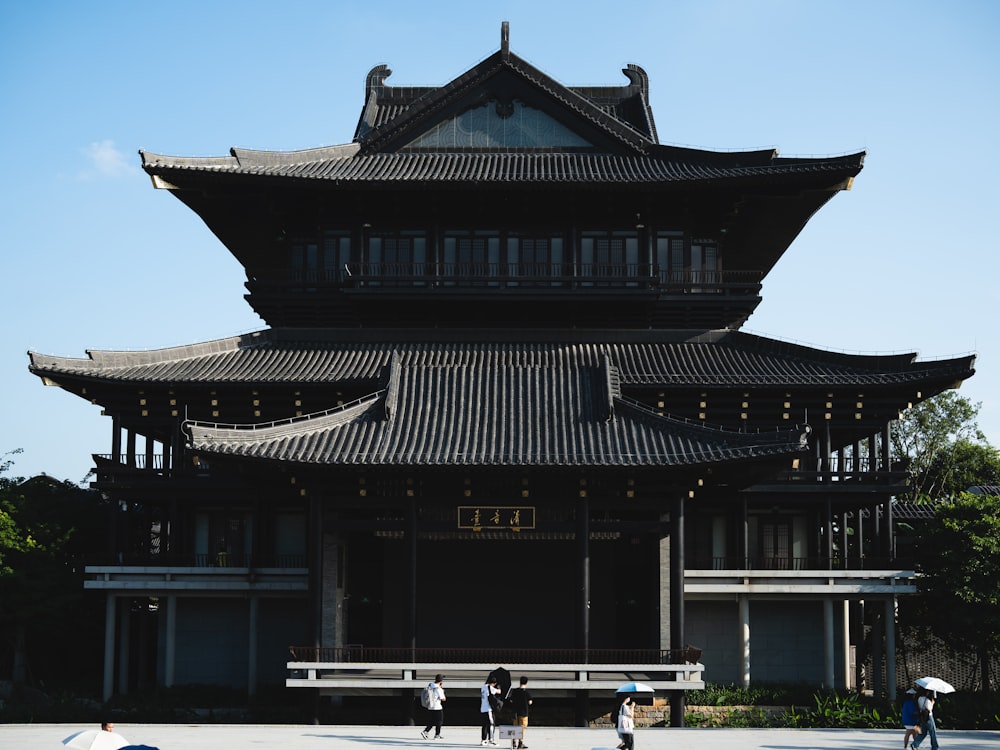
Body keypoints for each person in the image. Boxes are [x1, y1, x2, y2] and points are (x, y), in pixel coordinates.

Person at [507, 676, 533, 749]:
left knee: (515, 728)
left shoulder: (515, 691)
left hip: (515, 712)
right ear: (526, 683)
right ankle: (520, 743)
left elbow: (511, 700)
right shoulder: (526, 693)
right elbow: (530, 702)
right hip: (524, 713)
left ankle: (514, 743)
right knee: (522, 728)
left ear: (520, 682)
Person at [420, 674, 446, 740]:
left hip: (430, 706)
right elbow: (443, 699)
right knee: (439, 721)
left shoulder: (430, 686)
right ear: (441, 681)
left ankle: (426, 731)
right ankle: (437, 735)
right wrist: (442, 690)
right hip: (437, 707)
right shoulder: (438, 689)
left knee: (432, 721)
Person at [480, 673, 500, 746]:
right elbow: (499, 692)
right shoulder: (490, 688)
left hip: (482, 708)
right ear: (493, 683)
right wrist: (498, 687)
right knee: (491, 724)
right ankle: (491, 739)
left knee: (484, 725)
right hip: (488, 709)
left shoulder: (483, 687)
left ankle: (483, 739)